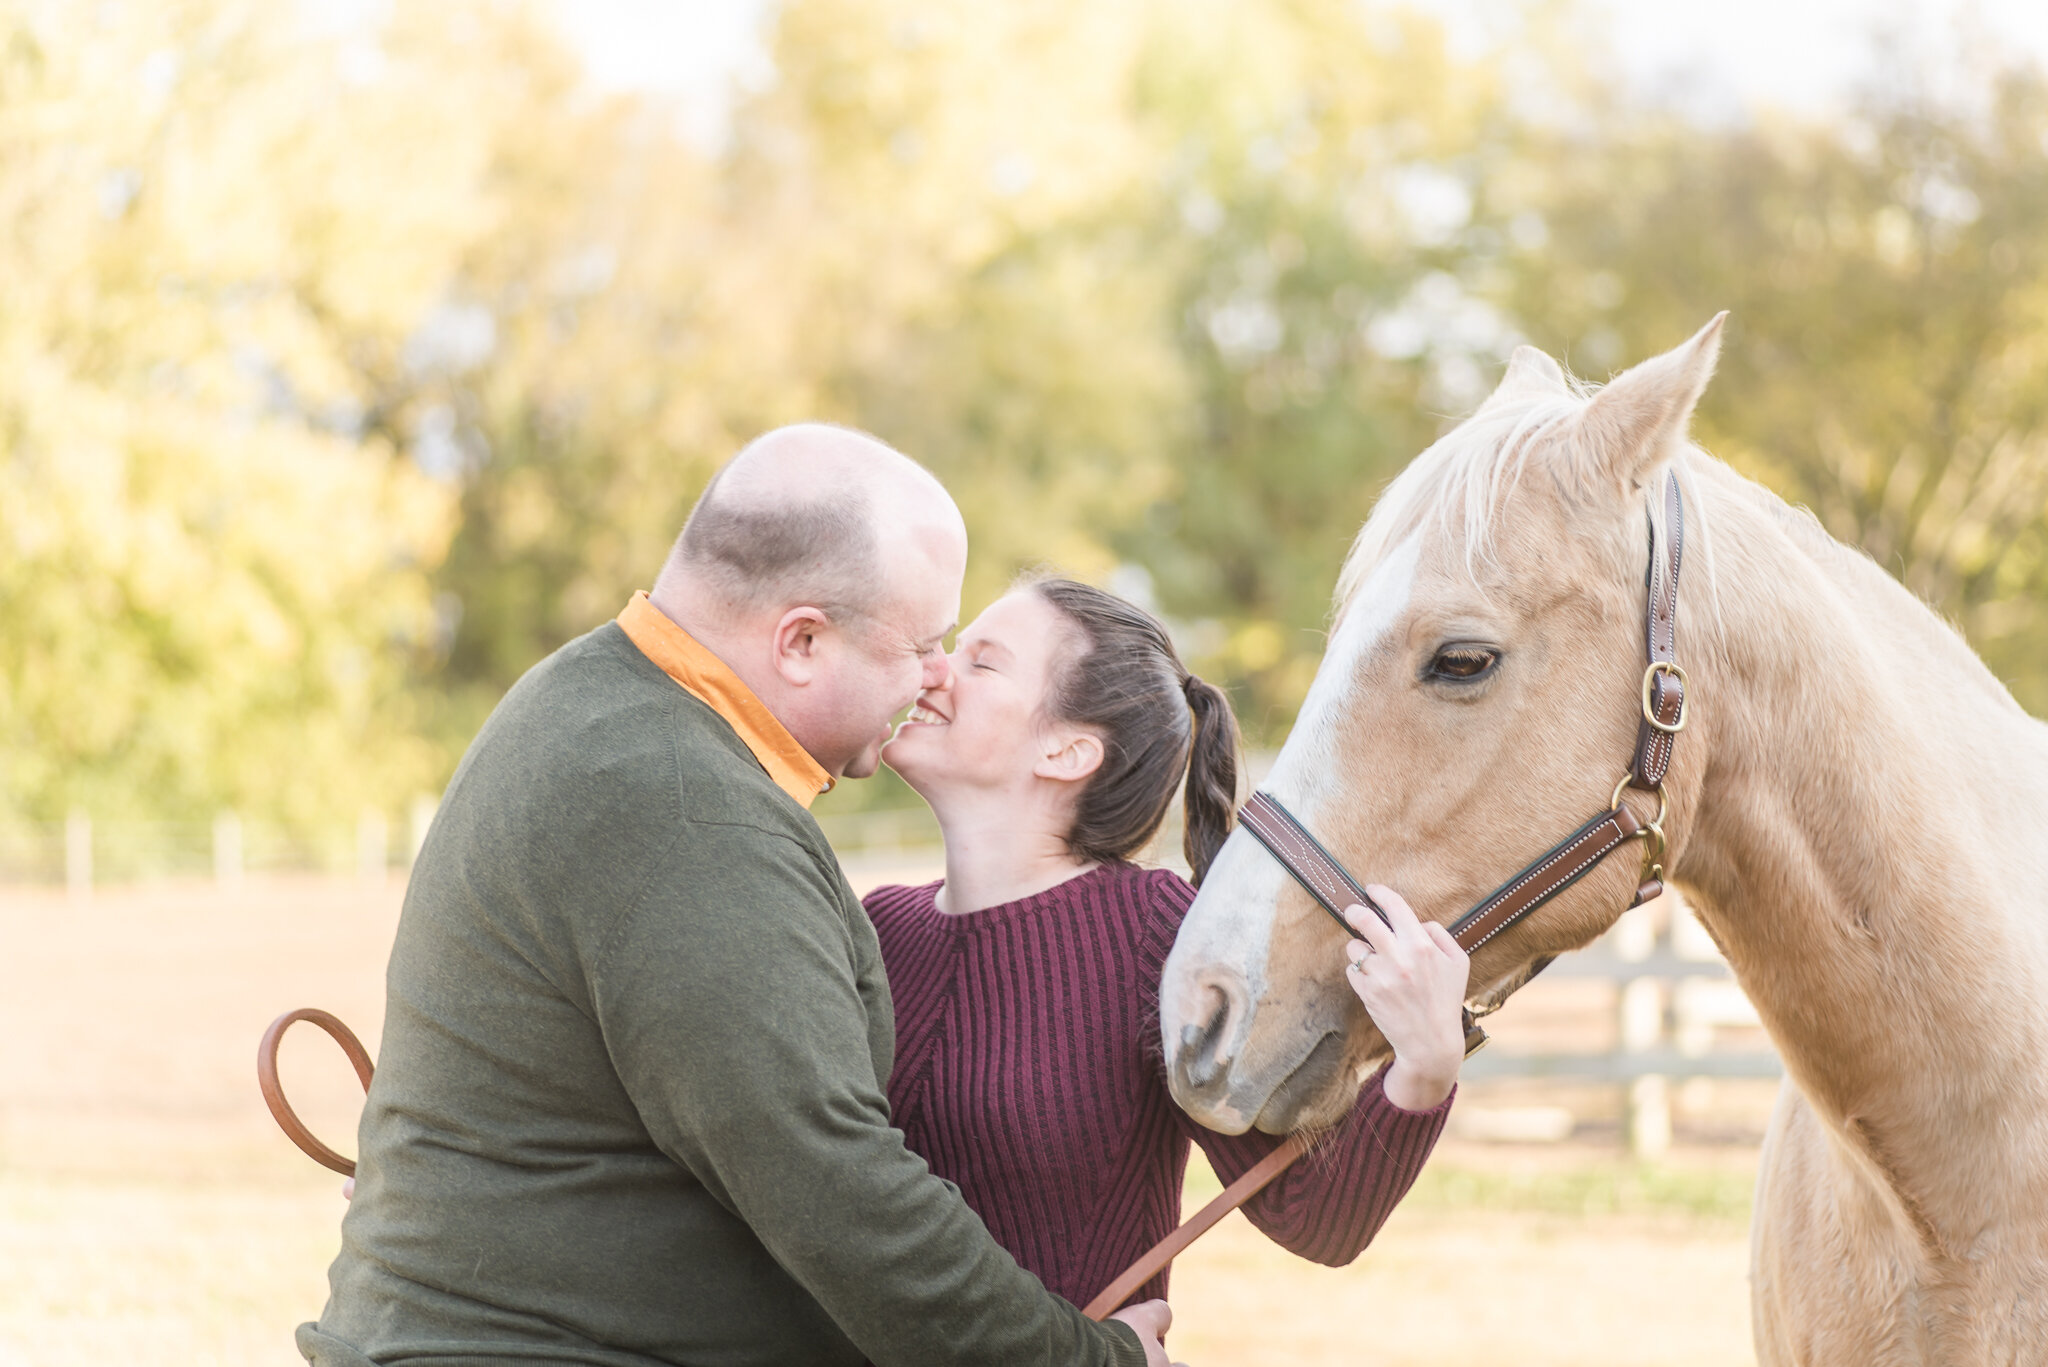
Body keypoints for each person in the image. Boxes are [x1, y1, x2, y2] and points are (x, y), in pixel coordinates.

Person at [297, 426, 1173, 1367]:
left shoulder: (589, 701)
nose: (935, 676)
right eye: (922, 644)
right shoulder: (688, 805)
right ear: (801, 641)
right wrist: (1091, 1361)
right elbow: (836, 1190)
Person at [867, 577, 1469, 1310]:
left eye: (982, 662)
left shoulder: (1153, 935)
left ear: (1067, 750)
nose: (935, 669)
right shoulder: (876, 927)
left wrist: (1427, 1067)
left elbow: (1316, 1219)